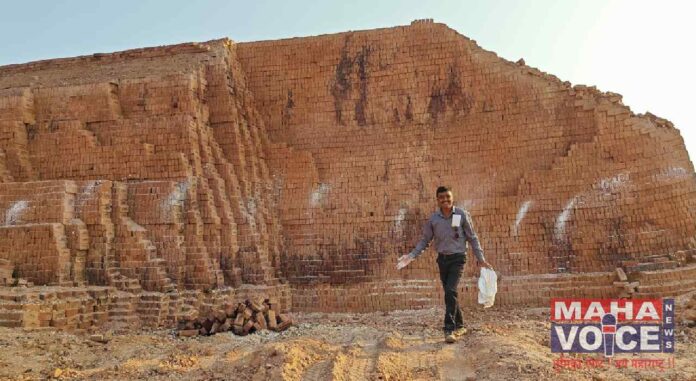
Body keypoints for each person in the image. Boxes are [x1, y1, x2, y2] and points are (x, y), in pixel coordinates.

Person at [397, 186, 493, 343]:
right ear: (437, 200)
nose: (445, 200)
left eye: (448, 197)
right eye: (442, 198)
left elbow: (472, 238)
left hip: (458, 259)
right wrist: (411, 256)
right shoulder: (434, 220)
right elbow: (425, 240)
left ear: (452, 197)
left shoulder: (461, 215)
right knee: (451, 294)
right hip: (442, 260)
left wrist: (481, 259)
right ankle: (460, 325)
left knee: (450, 291)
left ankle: (449, 329)